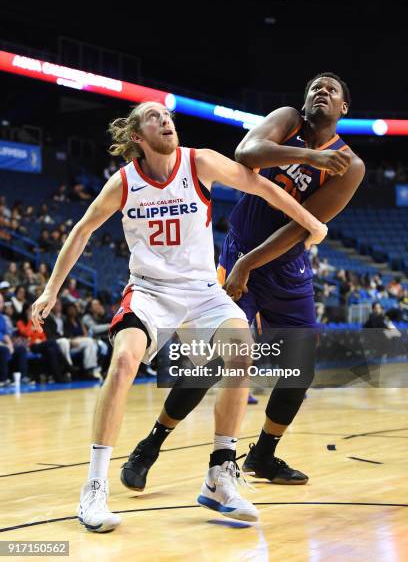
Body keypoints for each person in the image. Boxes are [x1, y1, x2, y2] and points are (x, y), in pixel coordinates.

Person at [31, 100, 327, 533]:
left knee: (241, 348)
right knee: (125, 359)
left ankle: (220, 473)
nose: (165, 120)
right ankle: (94, 486)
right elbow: (82, 231)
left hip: (203, 291)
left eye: (166, 116)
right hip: (149, 292)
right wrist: (50, 290)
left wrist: (311, 223)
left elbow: (260, 186)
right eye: (153, 117)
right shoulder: (125, 182)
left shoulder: (198, 162)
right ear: (137, 137)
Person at [124, 73, 365, 490]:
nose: (321, 91)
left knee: (299, 370)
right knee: (212, 360)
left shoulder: (351, 164)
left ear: (344, 108)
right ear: (304, 101)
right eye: (314, 87)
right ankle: (151, 444)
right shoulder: (289, 121)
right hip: (237, 250)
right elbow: (245, 152)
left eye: (331, 89)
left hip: (284, 267)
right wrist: (308, 158)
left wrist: (249, 266)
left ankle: (264, 455)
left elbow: (301, 226)